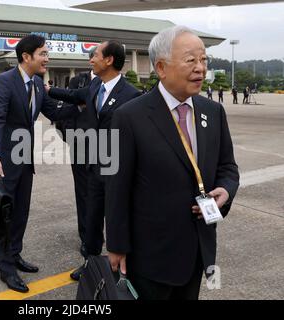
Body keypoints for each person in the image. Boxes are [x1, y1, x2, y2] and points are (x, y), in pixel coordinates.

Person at [106, 26, 240, 300]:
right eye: (191, 60)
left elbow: (228, 167)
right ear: (161, 68)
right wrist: (117, 245)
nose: (200, 68)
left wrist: (225, 191)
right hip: (149, 257)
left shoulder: (213, 112)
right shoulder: (129, 117)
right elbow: (116, 187)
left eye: (204, 60)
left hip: (197, 251)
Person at [0, 34, 81, 293]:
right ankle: (6, 269)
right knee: (3, 217)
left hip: (25, 160)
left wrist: (85, 102)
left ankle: (14, 255)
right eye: (43, 54)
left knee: (20, 213)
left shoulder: (37, 84)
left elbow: (55, 111)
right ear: (26, 57)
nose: (47, 59)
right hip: (3, 160)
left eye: (47, 54)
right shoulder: (5, 81)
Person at [47, 40, 141, 281]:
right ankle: (90, 263)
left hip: (117, 169)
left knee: (117, 216)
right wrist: (45, 90)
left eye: (95, 55)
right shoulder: (94, 86)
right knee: (91, 216)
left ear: (109, 60)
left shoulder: (131, 95)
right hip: (92, 166)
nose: (91, 60)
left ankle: (122, 264)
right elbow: (71, 95)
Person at [54, 48, 97, 266]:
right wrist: (70, 138)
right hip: (80, 146)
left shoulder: (119, 86)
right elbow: (65, 114)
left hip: (109, 148)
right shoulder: (77, 82)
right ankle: (86, 237)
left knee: (109, 193)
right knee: (83, 193)